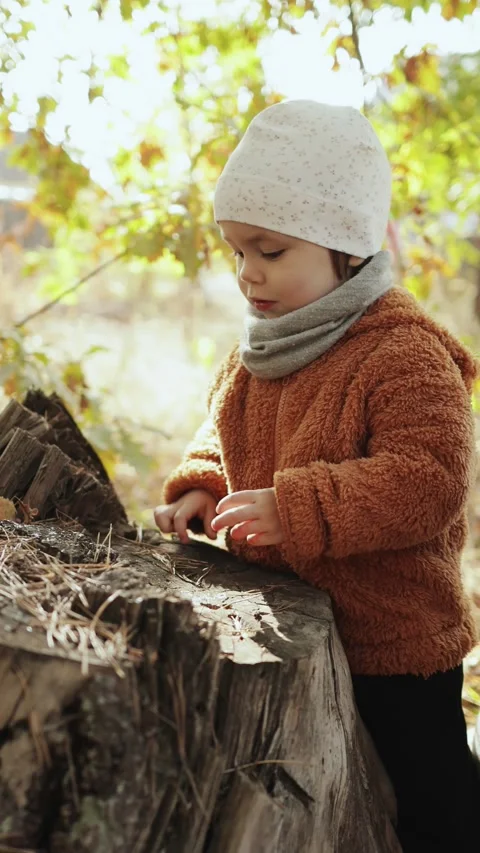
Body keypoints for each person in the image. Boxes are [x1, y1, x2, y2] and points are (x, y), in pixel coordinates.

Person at [154, 100, 480, 851]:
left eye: (269, 251)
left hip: (392, 644)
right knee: (306, 800)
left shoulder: (401, 352)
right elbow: (223, 428)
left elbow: (427, 479)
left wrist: (301, 505)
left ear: (347, 246)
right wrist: (203, 481)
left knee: (432, 804)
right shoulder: (259, 351)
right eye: (236, 251)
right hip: (289, 628)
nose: (246, 274)